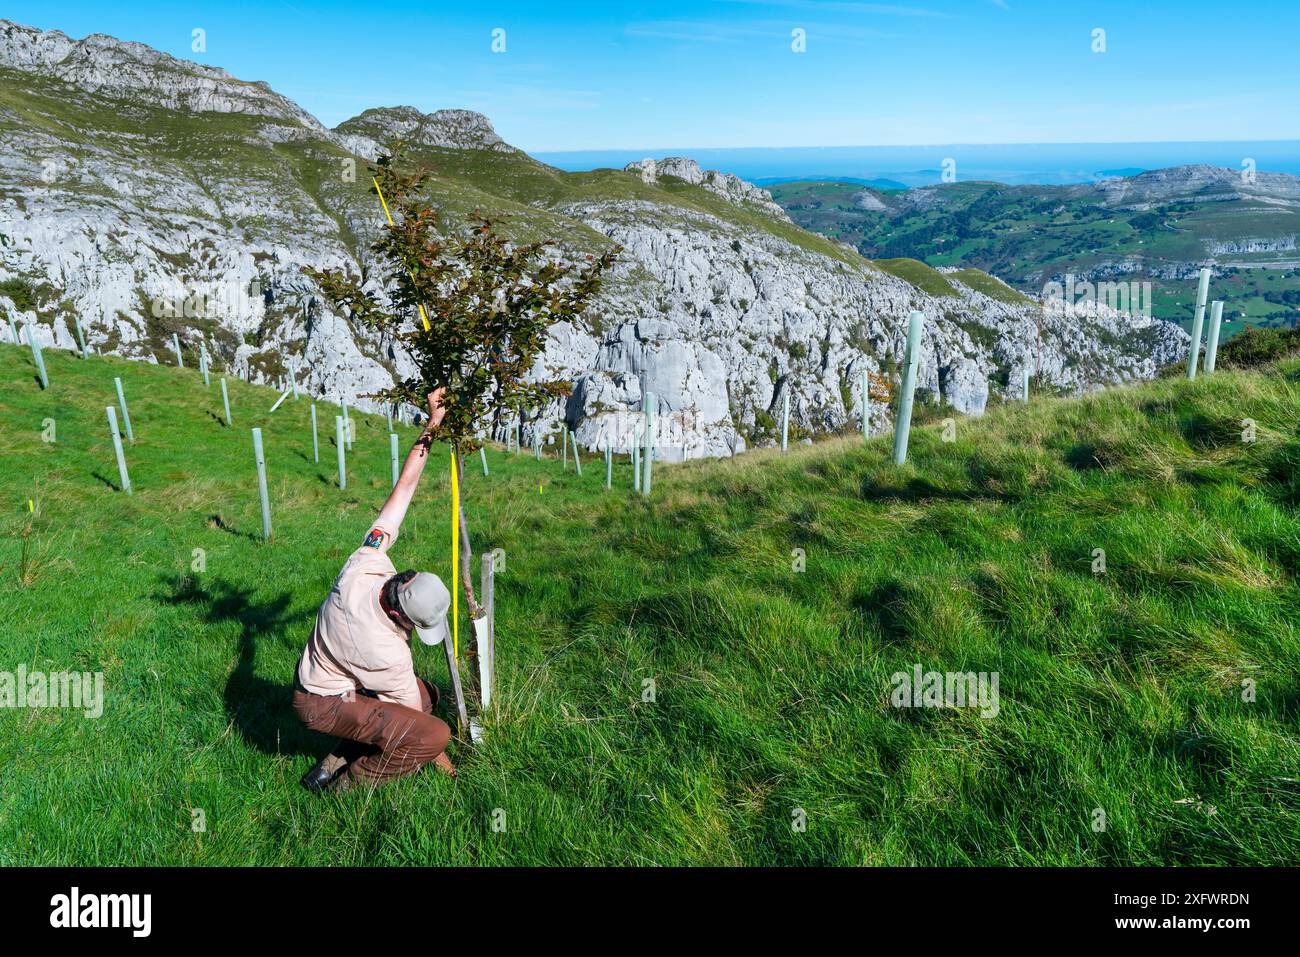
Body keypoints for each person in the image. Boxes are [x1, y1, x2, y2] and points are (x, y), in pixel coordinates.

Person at [293, 388, 457, 793]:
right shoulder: (385, 653)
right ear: (402, 617)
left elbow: (404, 488)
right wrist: (450, 770)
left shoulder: (364, 562)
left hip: (323, 678)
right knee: (431, 732)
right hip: (321, 704)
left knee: (423, 693)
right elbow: (414, 713)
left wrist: (433, 424)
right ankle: (346, 787)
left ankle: (329, 763)